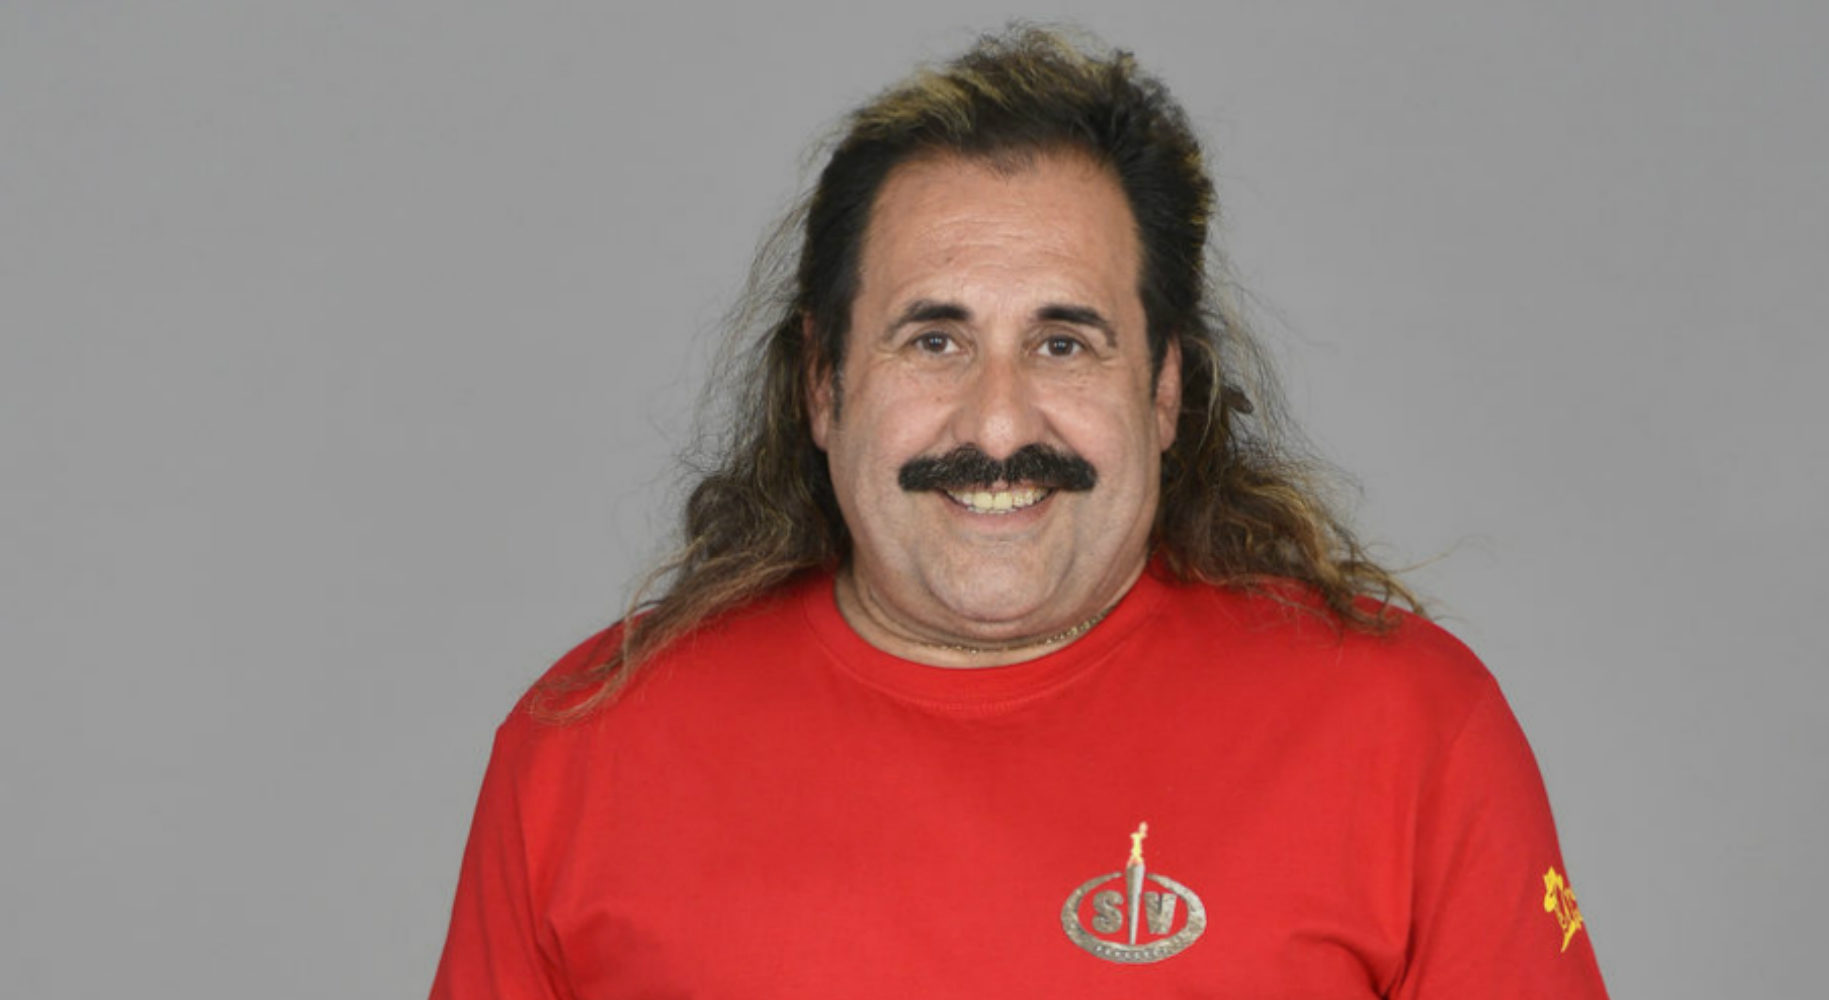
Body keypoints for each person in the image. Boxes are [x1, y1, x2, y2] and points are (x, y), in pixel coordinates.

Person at [431, 26, 1609, 999]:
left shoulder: (1407, 733)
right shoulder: (582, 751)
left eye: (1062, 342)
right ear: (822, 385)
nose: (996, 425)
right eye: (933, 340)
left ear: (1164, 388)